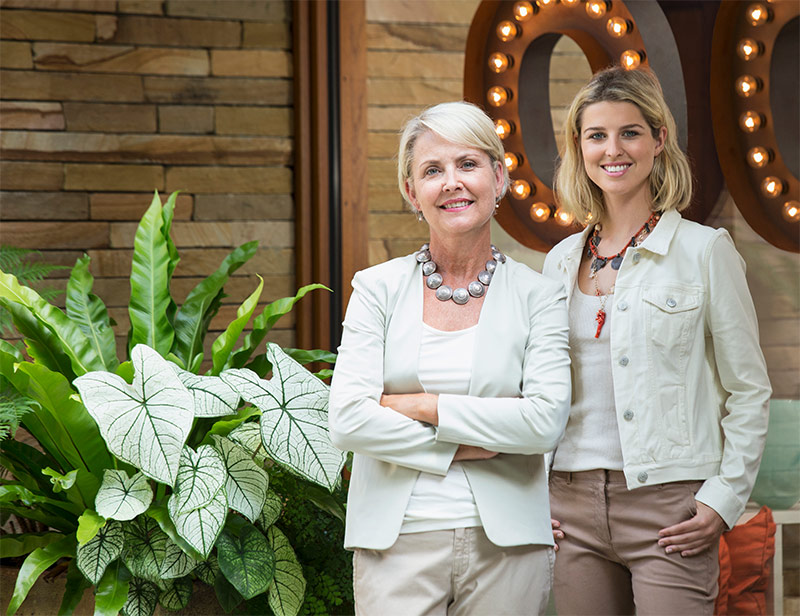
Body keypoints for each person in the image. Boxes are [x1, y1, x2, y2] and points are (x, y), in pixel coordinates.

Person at [543, 65, 772, 615]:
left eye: (630, 132)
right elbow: (540, 391)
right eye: (596, 135)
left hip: (668, 506)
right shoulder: (557, 262)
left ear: (658, 139)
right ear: (579, 146)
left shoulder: (705, 251)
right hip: (568, 508)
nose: (612, 150)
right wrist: (534, 493)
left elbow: (749, 391)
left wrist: (721, 501)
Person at [329, 101, 571, 615]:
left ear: (499, 178)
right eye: (432, 170)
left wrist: (421, 405)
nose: (452, 182)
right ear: (411, 192)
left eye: (468, 164)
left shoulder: (540, 296)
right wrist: (460, 448)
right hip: (394, 543)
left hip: (508, 545)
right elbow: (349, 419)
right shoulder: (375, 289)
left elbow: (543, 422)